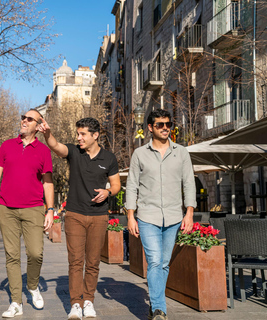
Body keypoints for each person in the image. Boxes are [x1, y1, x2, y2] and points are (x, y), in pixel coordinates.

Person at [38, 117, 121, 320]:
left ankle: (89, 302)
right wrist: (47, 133)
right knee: (75, 261)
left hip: (99, 216)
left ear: (95, 135)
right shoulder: (75, 152)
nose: (79, 138)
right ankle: (76, 303)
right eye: (78, 134)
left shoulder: (109, 158)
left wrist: (108, 192)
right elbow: (56, 147)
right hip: (75, 215)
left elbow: (116, 185)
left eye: (83, 134)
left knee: (93, 262)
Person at [125, 109, 196, 320]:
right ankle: (159, 308)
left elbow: (189, 184)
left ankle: (156, 304)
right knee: (155, 261)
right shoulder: (140, 154)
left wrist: (189, 213)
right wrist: (130, 215)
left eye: (168, 124)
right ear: (150, 128)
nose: (165, 128)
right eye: (160, 124)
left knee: (164, 263)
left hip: (174, 216)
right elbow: (131, 187)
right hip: (147, 216)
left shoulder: (182, 152)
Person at [0, 109, 54, 318]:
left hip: (34, 208)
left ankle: (32, 285)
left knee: (36, 253)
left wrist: (50, 210)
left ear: (38, 125)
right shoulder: (7, 145)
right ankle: (16, 302)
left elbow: (48, 183)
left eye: (29, 119)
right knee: (12, 256)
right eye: (23, 118)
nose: (24, 121)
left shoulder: (43, 150)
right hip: (7, 208)